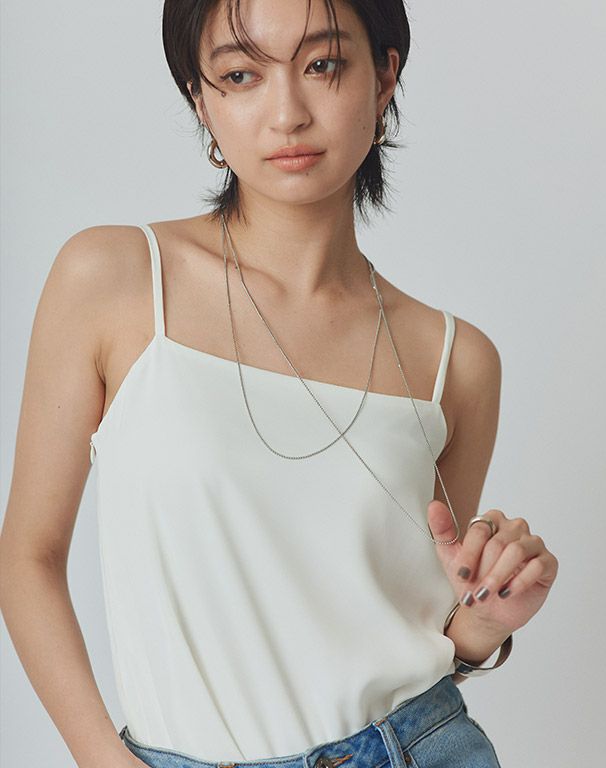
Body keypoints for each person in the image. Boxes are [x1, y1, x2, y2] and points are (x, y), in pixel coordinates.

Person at [0, 1, 559, 767]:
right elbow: (27, 557)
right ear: (200, 99)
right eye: (240, 75)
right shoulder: (114, 281)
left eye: (323, 64)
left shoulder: (455, 362)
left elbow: (427, 632)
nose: (287, 113)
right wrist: (103, 758)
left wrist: (488, 618)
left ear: (384, 77)